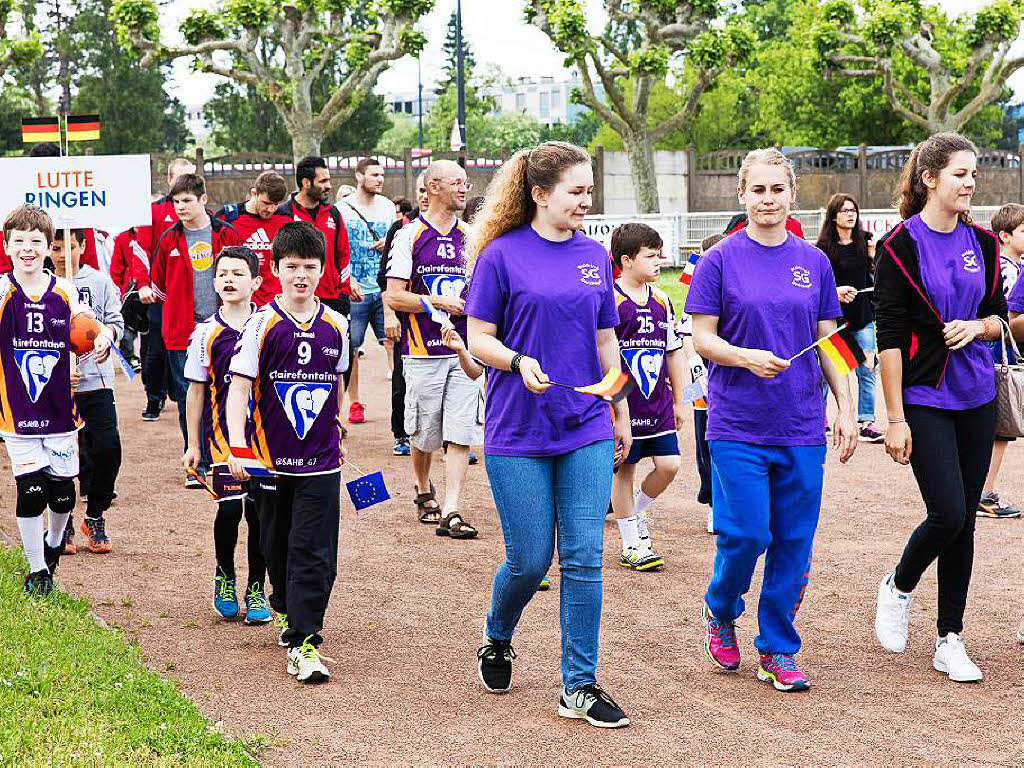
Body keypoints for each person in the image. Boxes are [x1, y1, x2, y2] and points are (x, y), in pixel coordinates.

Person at [467, 141, 631, 728]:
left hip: (584, 425)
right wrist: (514, 361)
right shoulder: (500, 256)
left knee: (585, 556)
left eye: (589, 191)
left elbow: (606, 339)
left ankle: (579, 686)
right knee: (532, 558)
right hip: (517, 430)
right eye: (576, 191)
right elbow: (478, 336)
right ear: (539, 194)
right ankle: (497, 633)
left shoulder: (594, 255)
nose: (587, 201)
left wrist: (620, 408)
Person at [686, 148, 857, 693]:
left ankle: (778, 647)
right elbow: (702, 337)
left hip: (801, 425)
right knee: (746, 533)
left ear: (790, 195)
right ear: (742, 194)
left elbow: (832, 343)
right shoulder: (720, 260)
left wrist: (848, 408)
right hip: (737, 424)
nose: (767, 200)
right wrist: (743, 357)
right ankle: (721, 606)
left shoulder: (815, 262)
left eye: (776, 191)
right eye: (757, 191)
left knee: (793, 541)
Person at [872, 132, 1005, 684]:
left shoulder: (987, 245)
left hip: (978, 394)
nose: (970, 183)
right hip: (924, 397)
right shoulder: (899, 245)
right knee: (948, 511)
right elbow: (890, 338)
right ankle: (899, 585)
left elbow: (999, 320)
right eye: (959, 174)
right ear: (929, 179)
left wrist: (977, 325)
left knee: (965, 522)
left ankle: (950, 637)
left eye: (973, 175)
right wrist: (895, 417)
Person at [225, 221, 350, 684]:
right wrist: (237, 446)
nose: (302, 275)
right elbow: (238, 389)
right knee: (275, 545)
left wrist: (336, 427)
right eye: (292, 267)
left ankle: (305, 641)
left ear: (323, 271)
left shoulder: (337, 325)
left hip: (322, 462)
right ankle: (283, 606)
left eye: (311, 267)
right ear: (275, 269)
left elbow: (336, 382)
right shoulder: (262, 324)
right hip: (269, 462)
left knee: (314, 549)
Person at [0, 205, 111, 595]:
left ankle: (53, 545)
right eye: (19, 242)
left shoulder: (63, 290)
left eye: (36, 242)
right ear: (7, 245)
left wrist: (102, 339)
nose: (27, 249)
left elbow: (89, 326)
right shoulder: (2, 290)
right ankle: (37, 571)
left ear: (49, 246)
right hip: (17, 413)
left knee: (63, 494)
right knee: (30, 490)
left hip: (62, 413)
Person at [384, 160, 481, 540]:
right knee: (423, 435)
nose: (464, 189)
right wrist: (436, 302)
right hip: (422, 350)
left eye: (465, 182)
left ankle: (453, 509)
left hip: (463, 351)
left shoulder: (473, 237)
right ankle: (424, 489)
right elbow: (393, 294)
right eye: (457, 182)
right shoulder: (409, 236)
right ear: (433, 187)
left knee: (460, 432)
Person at [182, 246, 270, 625]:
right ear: (214, 282)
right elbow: (196, 390)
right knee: (231, 508)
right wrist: (192, 444)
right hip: (221, 439)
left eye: (238, 273)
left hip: (263, 439)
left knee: (261, 513)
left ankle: (256, 587)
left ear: (256, 282)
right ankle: (224, 576)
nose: (229, 280)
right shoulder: (206, 332)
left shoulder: (269, 324)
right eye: (223, 274)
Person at [149, 173, 240, 483]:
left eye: (186, 200)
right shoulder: (168, 239)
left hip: (224, 329)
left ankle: (227, 456)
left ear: (203, 199)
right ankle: (195, 461)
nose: (180, 207)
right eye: (175, 202)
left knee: (228, 392)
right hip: (181, 333)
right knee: (190, 394)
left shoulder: (226, 235)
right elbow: (159, 286)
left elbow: (241, 276)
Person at [608, 223, 685, 571]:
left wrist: (679, 400)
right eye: (651, 256)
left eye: (659, 254)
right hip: (623, 404)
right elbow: (602, 357)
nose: (659, 261)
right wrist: (612, 406)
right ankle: (630, 544)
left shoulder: (662, 300)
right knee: (624, 469)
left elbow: (673, 352)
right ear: (626, 260)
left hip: (657, 403)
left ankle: (634, 516)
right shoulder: (609, 299)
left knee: (669, 465)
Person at [51, 229, 123, 555]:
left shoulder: (101, 282)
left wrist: (106, 337)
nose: (61, 253)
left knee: (107, 448)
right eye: (54, 247)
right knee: (61, 455)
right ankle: (63, 521)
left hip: (97, 381)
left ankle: (95, 515)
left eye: (67, 246)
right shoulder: (43, 287)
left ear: (81, 246)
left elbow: (115, 323)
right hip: (58, 386)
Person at [816, 193, 883, 442]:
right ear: (833, 216)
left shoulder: (865, 242)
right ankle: (819, 419)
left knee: (867, 369)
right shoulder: (822, 249)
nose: (850, 215)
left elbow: (874, 277)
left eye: (853, 210)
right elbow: (819, 286)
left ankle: (867, 420)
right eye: (844, 211)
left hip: (862, 317)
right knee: (827, 371)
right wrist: (835, 293)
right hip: (833, 321)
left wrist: (873, 255)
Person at [137, 157, 197, 421]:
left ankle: (181, 392)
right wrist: (143, 285)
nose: (185, 183)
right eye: (180, 177)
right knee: (155, 350)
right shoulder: (154, 212)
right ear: (170, 180)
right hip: (159, 294)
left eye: (191, 177)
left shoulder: (203, 213)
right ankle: (153, 398)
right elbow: (140, 250)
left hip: (190, 297)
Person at [339, 158, 396, 424]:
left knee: (394, 343)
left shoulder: (387, 207)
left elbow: (399, 240)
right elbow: (337, 250)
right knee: (351, 348)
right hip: (356, 290)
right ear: (359, 176)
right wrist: (347, 281)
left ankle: (401, 402)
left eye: (382, 174)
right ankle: (354, 403)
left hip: (384, 290)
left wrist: (388, 242)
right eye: (374, 174)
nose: (380, 179)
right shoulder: (342, 209)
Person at [978, 203, 1024, 519]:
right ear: (1004, 236)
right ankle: (984, 491)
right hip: (1000, 355)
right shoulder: (1005, 269)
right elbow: (1005, 319)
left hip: (1003, 353)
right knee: (1001, 428)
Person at [379, 179, 427, 457]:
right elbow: (385, 280)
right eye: (419, 190)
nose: (424, 195)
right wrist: (390, 315)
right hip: (407, 321)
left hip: (443, 324)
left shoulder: (458, 232)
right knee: (402, 379)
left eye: (427, 189)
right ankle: (401, 434)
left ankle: (449, 439)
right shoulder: (401, 229)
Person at [277, 156, 356, 315]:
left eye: (328, 180)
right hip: (295, 300)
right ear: (306, 183)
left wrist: (343, 290)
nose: (329, 186)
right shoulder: (283, 214)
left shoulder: (333, 213)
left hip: (333, 300)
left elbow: (343, 254)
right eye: (323, 181)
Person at [681, 234, 720, 535]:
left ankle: (725, 502)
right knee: (702, 438)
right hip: (699, 379)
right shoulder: (695, 289)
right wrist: (695, 368)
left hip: (728, 374)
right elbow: (685, 335)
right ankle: (712, 503)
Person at [214, 171, 292, 306]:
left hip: (275, 305)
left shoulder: (285, 220)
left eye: (276, 204)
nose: (271, 209)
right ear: (254, 193)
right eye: (266, 203)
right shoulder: (228, 218)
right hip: (238, 305)